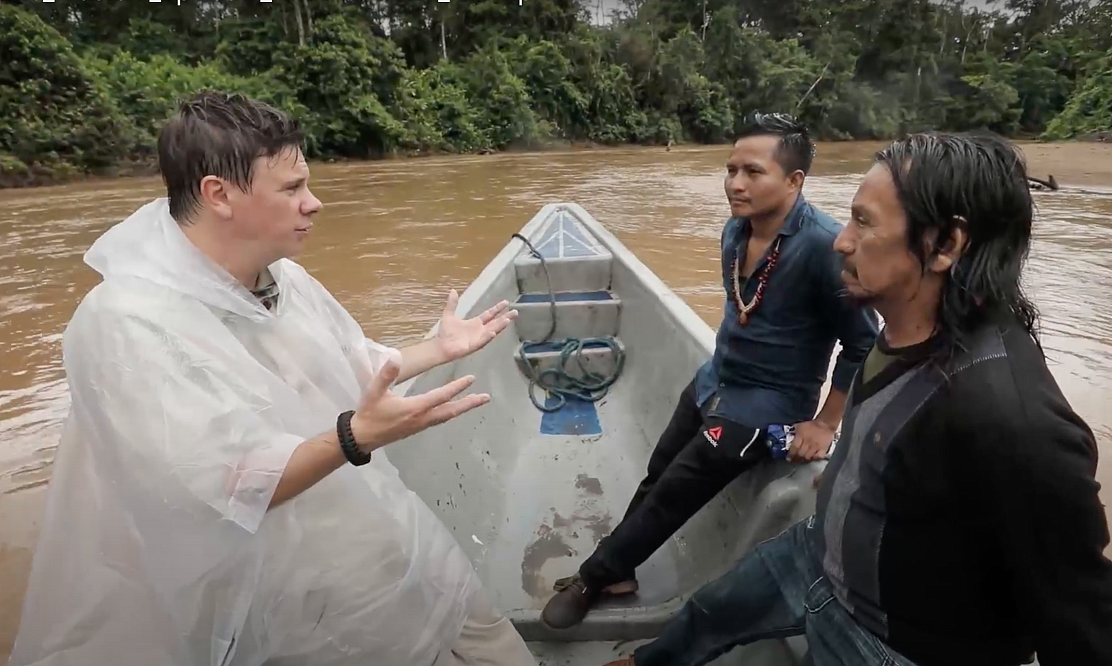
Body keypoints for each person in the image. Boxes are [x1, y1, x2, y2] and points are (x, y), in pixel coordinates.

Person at [9, 92, 537, 666]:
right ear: (219, 194)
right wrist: (354, 437)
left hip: (371, 521)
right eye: (291, 189)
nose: (314, 204)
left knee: (481, 632)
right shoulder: (125, 322)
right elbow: (224, 486)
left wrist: (439, 348)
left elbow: (356, 363)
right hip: (274, 585)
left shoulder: (280, 277)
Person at [596, 132, 1112, 666]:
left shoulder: (1013, 422)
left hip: (889, 641)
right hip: (820, 551)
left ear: (945, 245)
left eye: (864, 223)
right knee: (707, 614)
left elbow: (1079, 623)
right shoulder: (904, 324)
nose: (841, 241)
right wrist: (849, 468)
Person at [542, 113, 880, 629]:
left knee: (678, 486)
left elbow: (863, 343)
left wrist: (825, 423)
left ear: (794, 181)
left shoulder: (822, 248)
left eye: (752, 172)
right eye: (730, 170)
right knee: (659, 470)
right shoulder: (734, 229)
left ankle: (594, 575)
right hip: (715, 379)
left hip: (768, 402)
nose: (735, 184)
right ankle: (621, 570)